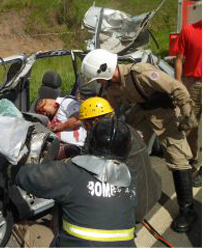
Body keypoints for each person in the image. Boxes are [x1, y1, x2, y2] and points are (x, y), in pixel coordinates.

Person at [81, 49, 198, 233]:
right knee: (127, 146)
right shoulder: (111, 86)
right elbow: (108, 108)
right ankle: (129, 194)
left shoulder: (140, 72)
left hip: (164, 112)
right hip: (141, 113)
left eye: (98, 79)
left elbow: (176, 87)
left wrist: (186, 114)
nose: (98, 83)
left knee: (178, 159)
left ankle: (188, 210)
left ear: (105, 70)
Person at [10, 118, 136, 247]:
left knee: (29, 230)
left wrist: (12, 168)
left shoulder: (73, 172)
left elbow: (30, 177)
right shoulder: (129, 180)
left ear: (90, 142)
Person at [79, 97, 161, 223]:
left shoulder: (104, 138)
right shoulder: (125, 128)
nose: (85, 128)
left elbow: (83, 166)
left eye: (85, 125)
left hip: (135, 208)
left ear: (95, 121)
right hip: (153, 191)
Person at [174, 20, 202, 187]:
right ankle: (193, 163)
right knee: (190, 126)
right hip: (193, 84)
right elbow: (179, 60)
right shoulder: (189, 30)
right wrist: (178, 86)